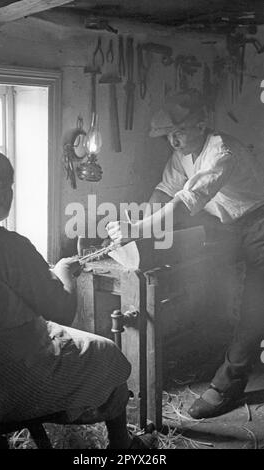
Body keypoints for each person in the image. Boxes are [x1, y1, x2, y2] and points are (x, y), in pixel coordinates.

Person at [0, 147, 155, 449]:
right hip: (11, 381)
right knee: (108, 354)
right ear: (0, 192)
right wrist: (64, 274)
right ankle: (122, 445)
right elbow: (61, 312)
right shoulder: (10, 247)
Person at [107, 89, 264, 419]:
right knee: (207, 280)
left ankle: (227, 385)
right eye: (169, 135)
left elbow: (184, 202)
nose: (174, 141)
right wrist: (139, 224)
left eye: (179, 132)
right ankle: (213, 353)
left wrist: (138, 230)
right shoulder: (183, 154)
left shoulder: (221, 151)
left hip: (258, 221)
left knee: (255, 303)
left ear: (202, 125)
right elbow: (165, 191)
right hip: (225, 223)